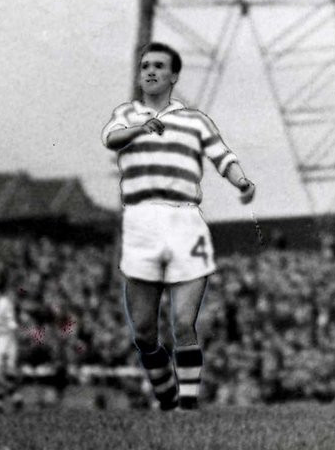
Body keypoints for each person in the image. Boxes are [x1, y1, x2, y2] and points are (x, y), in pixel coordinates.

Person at [101, 42, 255, 410]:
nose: (150, 72)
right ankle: (166, 392)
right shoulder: (126, 114)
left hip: (184, 219)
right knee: (143, 330)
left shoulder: (195, 121)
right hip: (141, 220)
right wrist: (140, 128)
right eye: (144, 66)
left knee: (184, 322)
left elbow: (223, 156)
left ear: (173, 76)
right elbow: (111, 138)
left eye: (158, 66)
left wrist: (242, 183)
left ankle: (186, 411)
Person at [0, 279, 23, 412]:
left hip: (3, 339)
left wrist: (12, 340)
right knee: (5, 373)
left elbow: (11, 323)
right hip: (3, 339)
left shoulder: (3, 304)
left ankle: (14, 396)